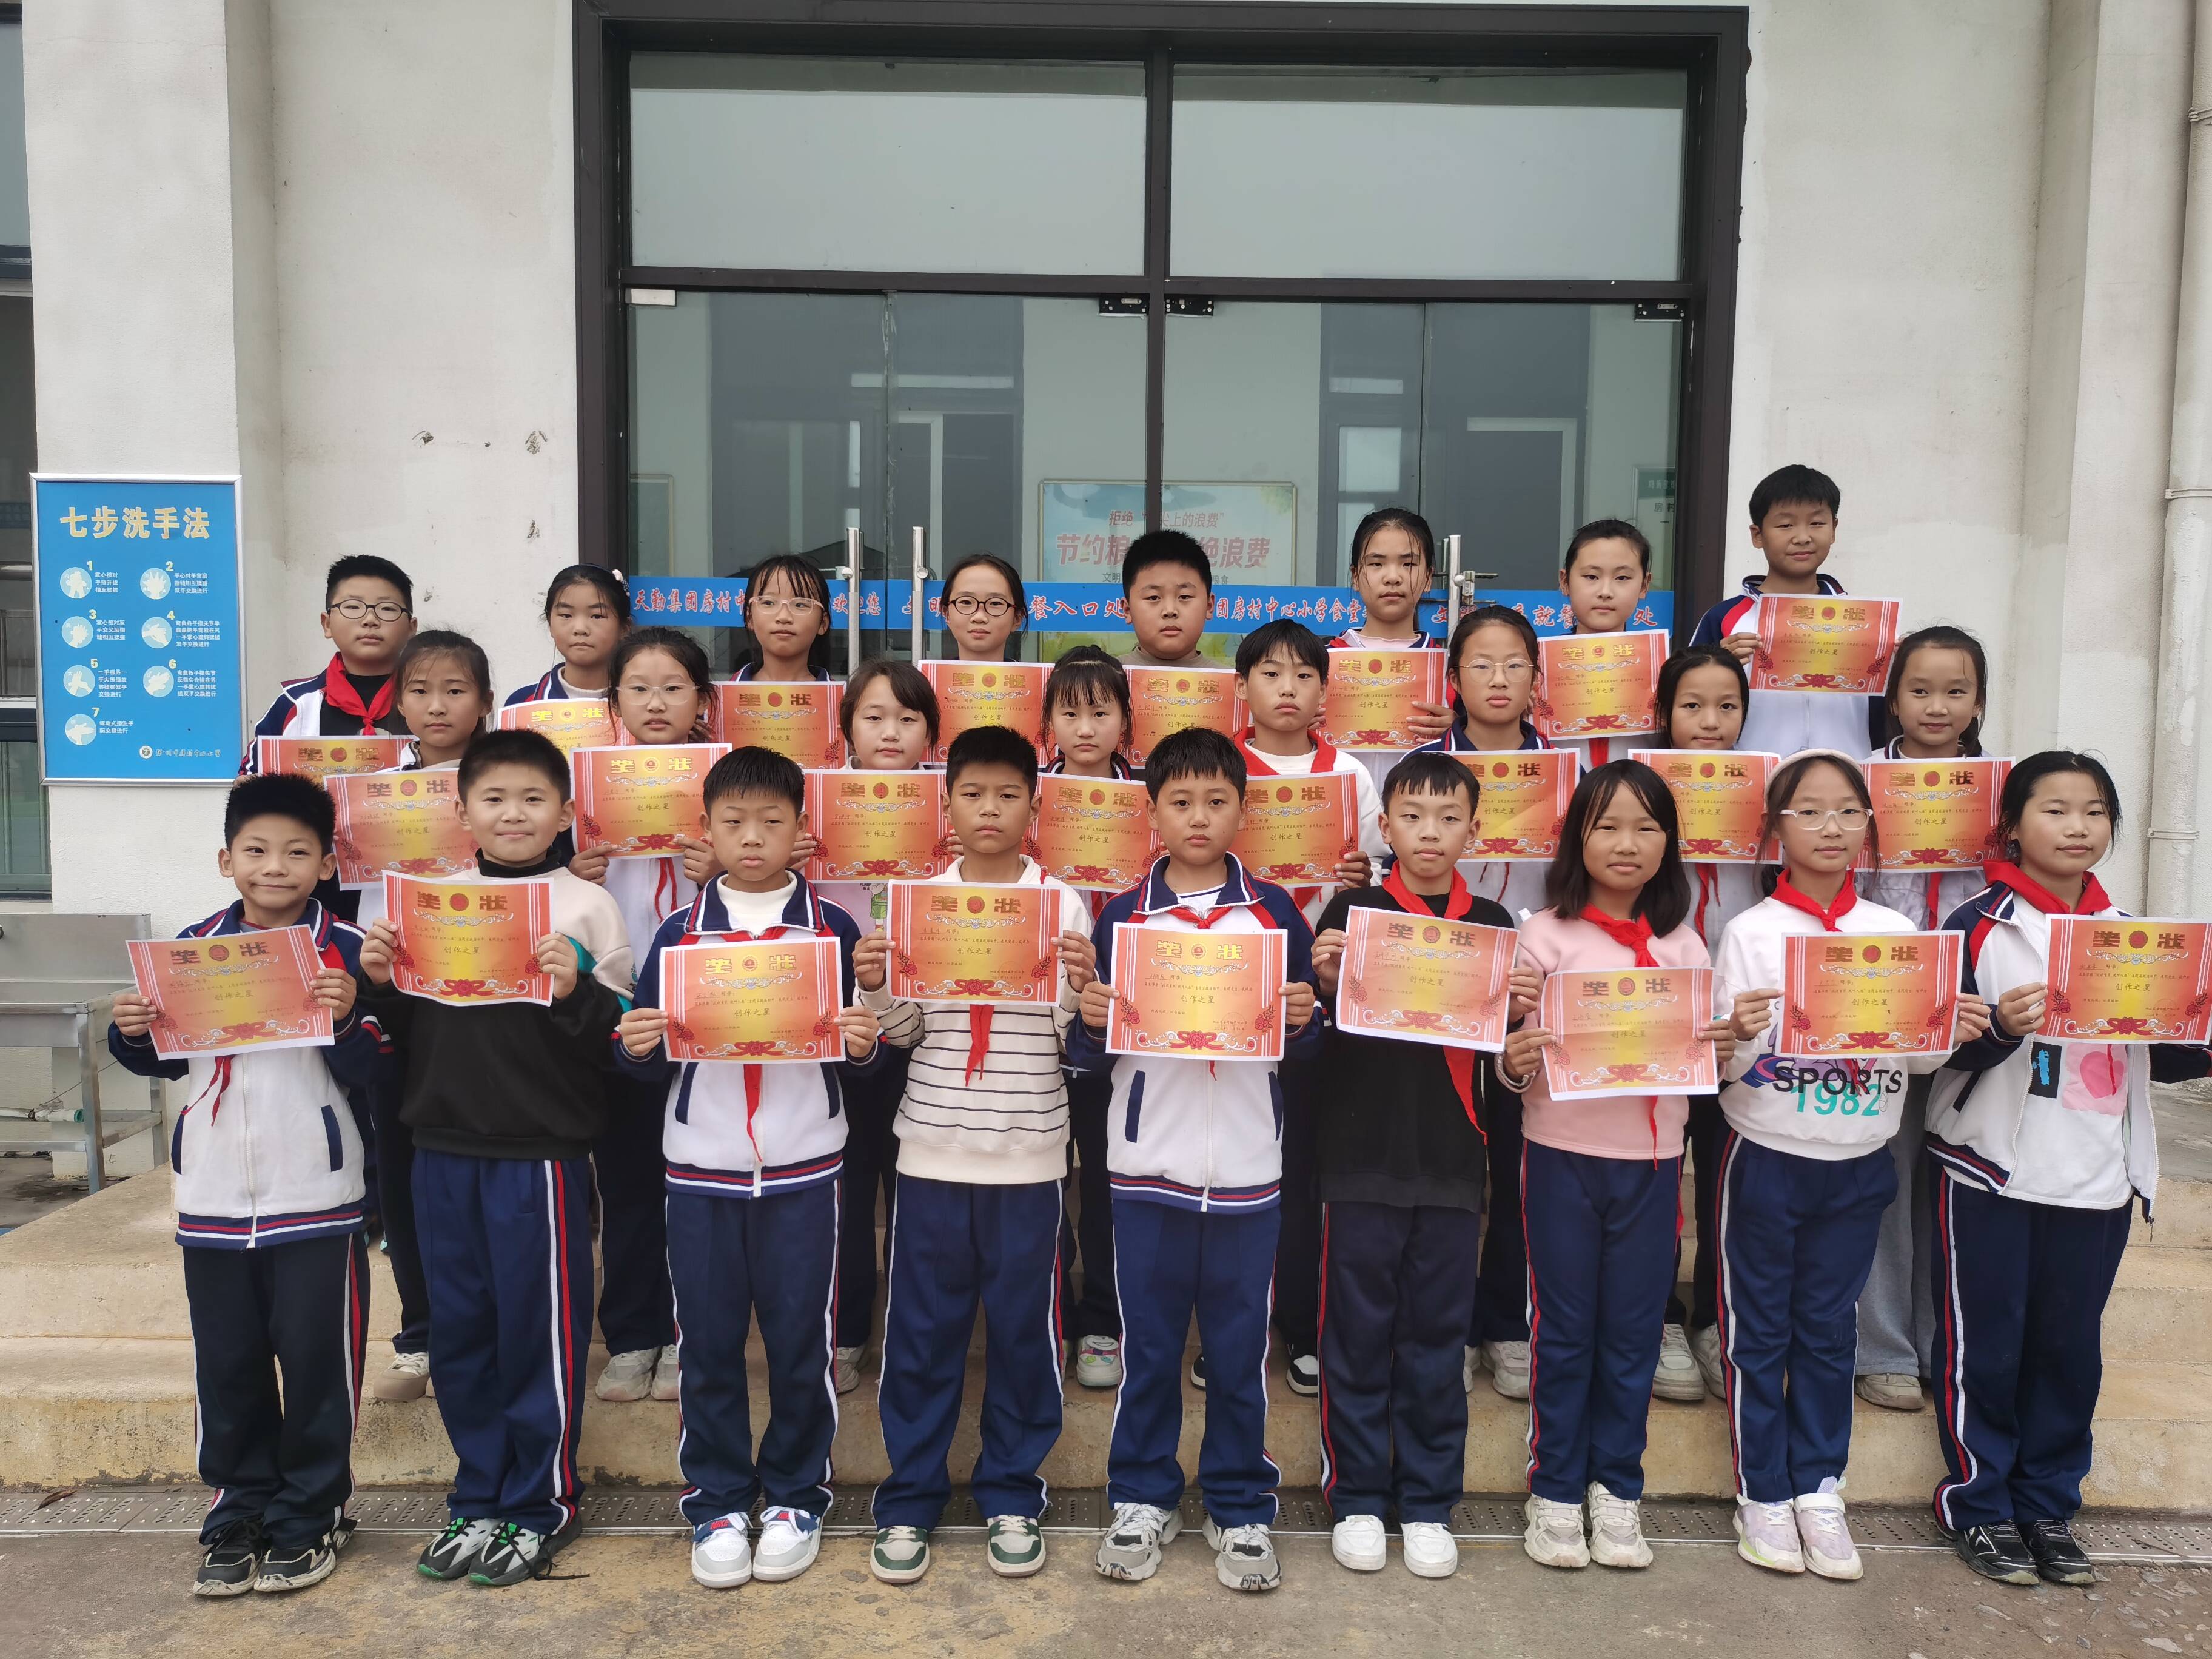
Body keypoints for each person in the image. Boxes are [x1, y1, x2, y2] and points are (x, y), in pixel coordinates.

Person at [356, 729, 634, 1589]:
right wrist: (378, 981)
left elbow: (621, 1043)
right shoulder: (429, 903)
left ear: (565, 812)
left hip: (539, 1155)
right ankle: (478, 1496)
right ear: (463, 809)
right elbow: (400, 1033)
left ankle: (541, 1504)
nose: (514, 815)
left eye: (533, 799)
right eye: (495, 799)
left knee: (537, 1333)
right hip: (440, 1148)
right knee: (462, 1332)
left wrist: (573, 988)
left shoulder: (587, 907)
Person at [1926, 754, 2212, 1587]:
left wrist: (2194, 1027)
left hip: (2096, 1177)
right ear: (2013, 825)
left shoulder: (2136, 936)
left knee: (2068, 1350)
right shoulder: (1976, 926)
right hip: (1992, 1174)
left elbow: (2165, 1059)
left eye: (2093, 812)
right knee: (1986, 1347)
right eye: (2054, 810)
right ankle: (1979, 1506)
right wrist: (2000, 1028)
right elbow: (1932, 1048)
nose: (2077, 827)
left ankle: (2047, 1506)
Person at [107, 773, 392, 1597]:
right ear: (226, 859)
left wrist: (347, 1015)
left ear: (326, 863)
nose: (275, 867)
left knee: (316, 1364)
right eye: (257, 851)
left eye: (297, 853)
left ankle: (311, 1512)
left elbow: (380, 1066)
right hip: (213, 1196)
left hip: (317, 1196)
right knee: (228, 1365)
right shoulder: (191, 950)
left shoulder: (348, 949)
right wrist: (133, 1033)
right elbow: (165, 1061)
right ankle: (237, 1510)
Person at [1711, 751, 1988, 1581]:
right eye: (1808, 811)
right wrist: (1737, 1033)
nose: (1829, 827)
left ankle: (1819, 1488)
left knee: (1830, 1331)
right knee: (1760, 1333)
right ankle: (1763, 1490)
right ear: (1776, 829)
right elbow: (1724, 1067)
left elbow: (1921, 1061)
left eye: (1846, 812)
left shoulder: (1897, 937)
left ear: (1869, 826)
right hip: (1767, 1156)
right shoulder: (1752, 933)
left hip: (1860, 1159)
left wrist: (1949, 1029)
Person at [612, 745, 882, 1590]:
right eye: (734, 822)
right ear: (707, 830)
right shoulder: (679, 932)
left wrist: (865, 1047)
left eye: (772, 821)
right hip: (702, 1167)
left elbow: (862, 1055)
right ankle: (720, 1501)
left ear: (802, 830)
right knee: (709, 1343)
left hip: (805, 1166)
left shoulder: (831, 931)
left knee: (802, 1341)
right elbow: (645, 1055)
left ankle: (798, 1495)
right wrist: (635, 1047)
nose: (753, 837)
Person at [1068, 727, 1323, 1594]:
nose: (1199, 817)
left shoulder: (1274, 913)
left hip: (1249, 1168)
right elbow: (1090, 1052)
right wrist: (1091, 1021)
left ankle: (1241, 1504)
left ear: (1243, 812)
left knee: (1239, 1350)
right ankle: (1143, 1497)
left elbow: (1308, 1043)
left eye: (1217, 801)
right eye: (1181, 802)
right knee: (1148, 1348)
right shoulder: (1124, 916)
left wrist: (1305, 1019)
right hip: (1149, 1168)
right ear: (1153, 813)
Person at [859, 725, 1096, 1584]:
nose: (989, 809)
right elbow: (907, 1032)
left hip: (1029, 1152)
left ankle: (1012, 1492)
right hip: (931, 1149)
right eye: (972, 794)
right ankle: (910, 1497)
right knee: (921, 1335)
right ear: (946, 804)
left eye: (1007, 794)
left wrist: (1078, 983)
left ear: (1035, 806)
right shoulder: (917, 900)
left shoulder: (1063, 905)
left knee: (1026, 1337)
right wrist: (876, 987)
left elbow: (1071, 1035)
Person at [1496, 759, 1736, 1572]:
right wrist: (1515, 1055)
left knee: (1633, 1333)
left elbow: (1703, 1064)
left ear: (1669, 843)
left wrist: (1721, 1050)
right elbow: (1510, 1058)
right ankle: (1556, 1490)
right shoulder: (1542, 936)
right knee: (1565, 1330)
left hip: (1655, 1165)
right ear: (1577, 839)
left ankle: (1618, 1489)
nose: (1627, 843)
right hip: (1560, 1157)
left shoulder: (1685, 944)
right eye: (1607, 826)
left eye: (1646, 827)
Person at [1307, 749, 1510, 1581]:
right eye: (1413, 817)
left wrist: (1519, 1006)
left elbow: (1501, 1049)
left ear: (1474, 830)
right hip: (1360, 1158)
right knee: (1357, 1335)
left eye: (1449, 818)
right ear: (1384, 826)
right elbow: (1317, 1032)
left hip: (1453, 1160)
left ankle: (1427, 1502)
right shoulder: (1352, 910)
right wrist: (1324, 983)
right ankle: (1358, 1496)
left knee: (1436, 1339)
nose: (1431, 832)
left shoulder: (1492, 922)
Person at [1232, 618, 1383, 1399]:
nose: (1287, 689)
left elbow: (1379, 877)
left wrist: (1362, 877)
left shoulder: (1350, 774)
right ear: (1243, 687)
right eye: (1270, 674)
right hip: (1232, 984)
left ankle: (1301, 1323)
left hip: (1322, 986)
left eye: (1302, 675)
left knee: (1307, 1164)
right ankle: (1239, 1328)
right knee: (1242, 1159)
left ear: (1326, 689)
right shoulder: (1224, 767)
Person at [1414, 602, 1561, 1402]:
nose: (1498, 679)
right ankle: (1437, 1322)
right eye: (1480, 664)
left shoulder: (1565, 773)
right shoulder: (1423, 769)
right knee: (1438, 1157)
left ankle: (1505, 1321)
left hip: (1527, 992)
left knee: (1515, 1158)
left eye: (1514, 665)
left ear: (1537, 679)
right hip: (1432, 984)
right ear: (1453, 678)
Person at [572, 625, 720, 1406]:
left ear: (703, 700)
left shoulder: (731, 785)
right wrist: (569, 871)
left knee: (698, 1187)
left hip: (712, 1012)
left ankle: (692, 1336)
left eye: (673, 688)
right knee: (628, 1179)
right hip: (619, 1009)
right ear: (614, 702)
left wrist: (721, 870)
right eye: (638, 689)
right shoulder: (581, 793)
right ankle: (634, 1334)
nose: (656, 702)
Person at [1853, 625, 1994, 1415]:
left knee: (1953, 1184)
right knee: (1887, 1175)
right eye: (1919, 690)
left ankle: (1945, 1346)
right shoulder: (1859, 782)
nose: (1937, 706)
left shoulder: (2004, 793)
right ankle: (1884, 1350)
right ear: (1894, 698)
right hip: (1884, 1004)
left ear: (1979, 703)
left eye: (1955, 691)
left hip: (1980, 1014)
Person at [360, 628, 495, 1408]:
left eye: (455, 691)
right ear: (398, 702)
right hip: (396, 993)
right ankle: (420, 1334)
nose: (437, 706)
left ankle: (489, 1328)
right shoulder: (369, 793)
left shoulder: (506, 782)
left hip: (488, 994)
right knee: (402, 1164)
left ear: (485, 701)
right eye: (420, 691)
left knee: (486, 1168)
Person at [814, 656, 939, 1393]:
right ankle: (849, 1328)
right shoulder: (814, 808)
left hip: (927, 1024)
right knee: (851, 1182)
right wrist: (798, 858)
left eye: (907, 718)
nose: (891, 732)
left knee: (916, 1187)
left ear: (931, 733)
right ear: (847, 729)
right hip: (845, 1024)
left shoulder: (953, 807)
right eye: (874, 717)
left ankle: (913, 1333)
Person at [1651, 643, 1765, 1407]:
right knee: (1661, 1173)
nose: (1710, 721)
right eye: (1692, 706)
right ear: (1664, 713)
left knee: (1728, 1175)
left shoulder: (1768, 792)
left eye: (1727, 707)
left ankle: (1717, 1319)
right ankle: (1662, 1315)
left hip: (1742, 1016)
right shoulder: (1642, 792)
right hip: (1659, 1010)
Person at [1041, 644, 1136, 1392]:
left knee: (1105, 1174)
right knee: (1046, 1172)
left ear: (1125, 722)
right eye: (1069, 713)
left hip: (1126, 1017)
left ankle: (1103, 1314)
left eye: (1100, 712)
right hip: (1040, 1015)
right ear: (1047, 724)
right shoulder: (1026, 800)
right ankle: (1055, 1314)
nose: (1085, 728)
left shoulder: (1156, 805)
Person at [1688, 464, 1877, 757]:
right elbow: (1683, 700)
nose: (1802, 537)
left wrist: (1902, 664)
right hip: (1753, 776)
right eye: (1786, 525)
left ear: (1834, 530)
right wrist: (1718, 664)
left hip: (1847, 774)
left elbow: (1889, 707)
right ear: (1757, 535)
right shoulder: (1724, 618)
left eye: (1817, 523)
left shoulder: (1866, 621)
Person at [1325, 508, 1455, 786]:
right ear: (1355, 576)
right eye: (1376, 564)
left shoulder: (1450, 671)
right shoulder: (1319, 664)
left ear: (1428, 577)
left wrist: (1460, 733)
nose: (1393, 577)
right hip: (1344, 807)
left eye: (1408, 564)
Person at [244, 554, 418, 757]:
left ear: (411, 628)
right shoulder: (295, 703)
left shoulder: (435, 703)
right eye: (353, 607)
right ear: (327, 624)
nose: (370, 620)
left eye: (387, 608)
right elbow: (252, 772)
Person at [1552, 519, 1657, 772]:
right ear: (1565, 581)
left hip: (1637, 791)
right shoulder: (1537, 666)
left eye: (1622, 577)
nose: (1605, 591)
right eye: (1591, 576)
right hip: (1560, 790)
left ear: (1644, 585)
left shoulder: (1662, 667)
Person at [506, 565, 629, 705]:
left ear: (624, 628)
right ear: (550, 623)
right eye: (566, 615)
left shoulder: (643, 704)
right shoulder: (522, 703)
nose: (580, 629)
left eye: (597, 616)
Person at [1118, 530, 1214, 669]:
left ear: (1209, 606)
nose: (1170, 611)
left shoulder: (1235, 681)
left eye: (1184, 597)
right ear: (1128, 610)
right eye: (1153, 598)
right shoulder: (1104, 677)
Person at [737, 554, 834, 682]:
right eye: (768, 603)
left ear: (823, 623)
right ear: (750, 618)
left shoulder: (840, 695)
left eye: (800, 605)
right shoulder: (724, 693)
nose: (784, 617)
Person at [939, 552, 1027, 662]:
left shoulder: (1037, 674)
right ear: (947, 614)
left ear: (1017, 618)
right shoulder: (926, 674)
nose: (979, 617)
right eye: (966, 602)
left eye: (995, 603)